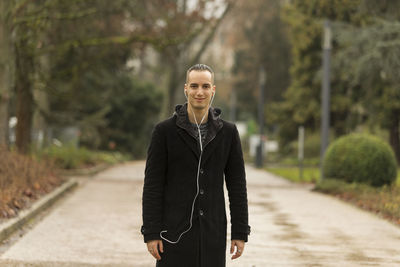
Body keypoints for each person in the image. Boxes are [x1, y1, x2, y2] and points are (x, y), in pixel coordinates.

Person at [141, 64, 250, 267]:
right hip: (172, 235)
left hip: (213, 233)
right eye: (194, 86)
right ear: (186, 89)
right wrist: (151, 232)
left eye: (205, 86)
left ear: (213, 90)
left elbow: (237, 186)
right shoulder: (164, 132)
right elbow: (152, 186)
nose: (200, 92)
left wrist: (240, 231)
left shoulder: (228, 133)